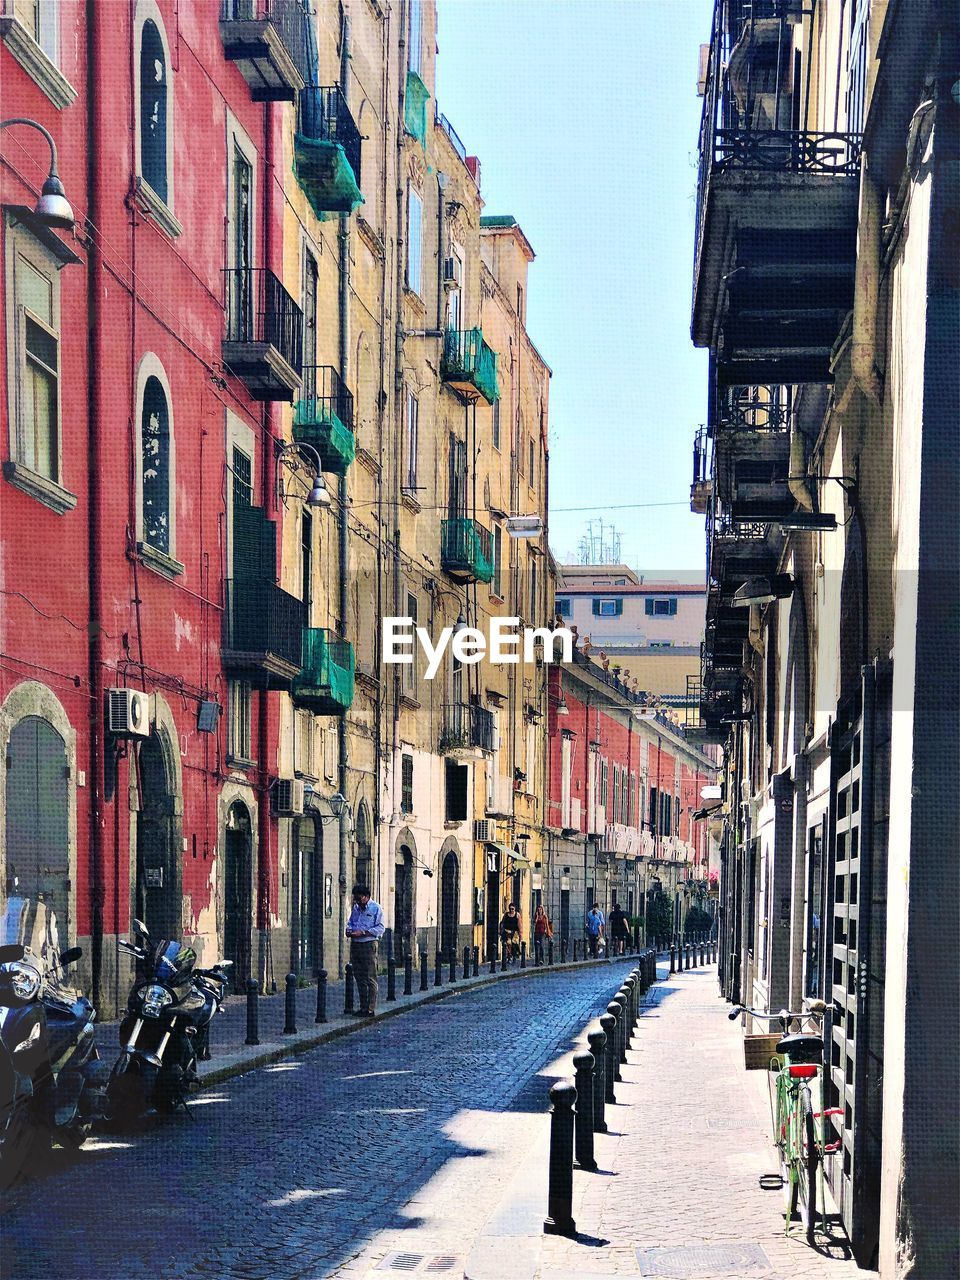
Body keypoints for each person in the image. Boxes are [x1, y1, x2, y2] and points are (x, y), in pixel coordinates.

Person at [344, 883, 384, 1017]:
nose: (358, 902)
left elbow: (380, 928)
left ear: (366, 897)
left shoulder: (376, 908)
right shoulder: (356, 908)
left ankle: (371, 1008)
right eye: (356, 899)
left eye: (359, 898)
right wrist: (349, 930)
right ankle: (363, 1007)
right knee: (359, 976)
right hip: (356, 944)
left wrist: (363, 932)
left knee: (370, 976)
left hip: (368, 944)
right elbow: (351, 922)